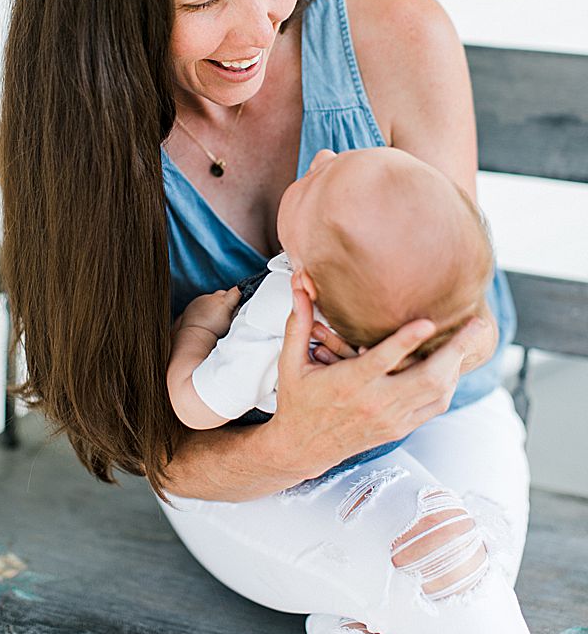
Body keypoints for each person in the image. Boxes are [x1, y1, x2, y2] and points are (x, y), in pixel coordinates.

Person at [0, 0, 545, 634]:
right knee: (438, 568)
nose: (255, 29)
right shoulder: (81, 136)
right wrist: (301, 438)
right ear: (111, 6)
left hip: (442, 413)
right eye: (203, 0)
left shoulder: (399, 34)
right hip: (240, 470)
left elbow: (467, 314)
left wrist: (399, 381)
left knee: (427, 584)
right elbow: (155, 439)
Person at [169, 146, 493, 435]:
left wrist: (199, 327)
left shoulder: (274, 322)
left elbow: (194, 408)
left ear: (306, 285)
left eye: (314, 180)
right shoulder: (378, 308)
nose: (323, 154)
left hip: (293, 475)